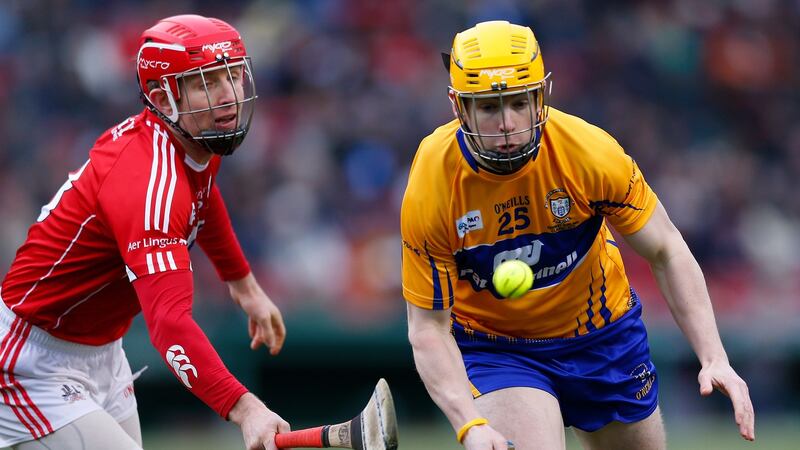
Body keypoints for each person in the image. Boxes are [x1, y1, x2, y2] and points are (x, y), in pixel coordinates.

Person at [401, 20, 755, 450]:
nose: (508, 124)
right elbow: (428, 329)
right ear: (460, 107)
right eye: (490, 108)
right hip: (497, 348)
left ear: (540, 97)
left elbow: (666, 249)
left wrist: (714, 356)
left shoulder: (589, 153)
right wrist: (468, 423)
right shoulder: (432, 183)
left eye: (518, 102)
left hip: (601, 334)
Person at [0, 14, 289, 450]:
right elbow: (169, 325)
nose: (228, 95)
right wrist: (246, 409)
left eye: (231, 75)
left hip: (101, 351)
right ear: (162, 97)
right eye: (206, 82)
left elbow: (204, 200)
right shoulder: (149, 182)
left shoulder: (192, 139)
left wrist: (244, 285)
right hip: (32, 363)